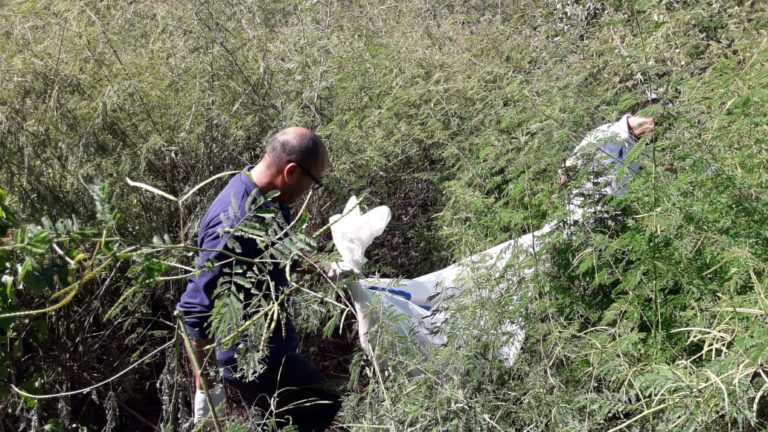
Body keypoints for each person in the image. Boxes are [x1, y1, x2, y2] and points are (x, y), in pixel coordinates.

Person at [176, 127, 340, 431]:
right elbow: (195, 308)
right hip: (249, 356)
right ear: (291, 172)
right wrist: (205, 388)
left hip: (271, 347)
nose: (310, 190)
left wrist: (324, 267)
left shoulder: (271, 199)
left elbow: (276, 253)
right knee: (323, 400)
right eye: (313, 182)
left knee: (273, 420)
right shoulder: (234, 223)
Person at [559, 113, 655, 222]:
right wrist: (562, 198)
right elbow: (570, 167)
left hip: (614, 216)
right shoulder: (607, 132)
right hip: (582, 212)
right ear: (652, 122)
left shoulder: (646, 147)